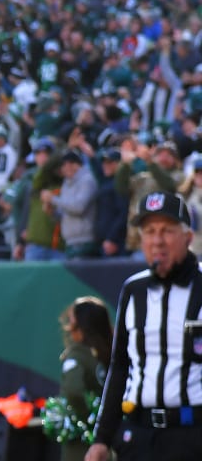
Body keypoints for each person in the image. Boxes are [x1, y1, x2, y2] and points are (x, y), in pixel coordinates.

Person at [87, 192, 202, 461]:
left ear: (188, 236)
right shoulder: (134, 290)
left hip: (192, 435)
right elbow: (120, 366)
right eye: (149, 231)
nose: (157, 240)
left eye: (167, 230)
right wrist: (102, 438)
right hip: (139, 436)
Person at [57, 297, 112, 461]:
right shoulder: (115, 351)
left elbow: (73, 391)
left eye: (72, 321)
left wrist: (85, 419)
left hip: (83, 448)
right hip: (113, 442)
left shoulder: (77, 355)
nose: (68, 326)